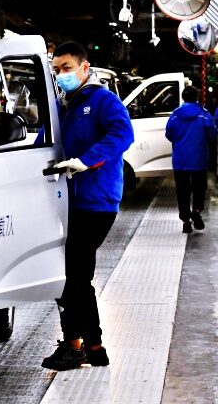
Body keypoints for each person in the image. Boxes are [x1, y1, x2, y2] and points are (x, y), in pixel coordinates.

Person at [41, 41, 134, 371]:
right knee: (72, 275)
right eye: (56, 70)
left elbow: (123, 134)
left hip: (96, 202)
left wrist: (86, 161)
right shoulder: (64, 105)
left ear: (84, 67)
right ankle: (89, 347)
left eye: (67, 68)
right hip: (68, 201)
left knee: (75, 276)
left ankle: (81, 345)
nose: (61, 75)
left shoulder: (102, 100)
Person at [166, 86, 217, 233]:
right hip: (199, 160)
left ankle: (186, 220)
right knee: (199, 189)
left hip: (180, 161)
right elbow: (213, 134)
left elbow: (169, 134)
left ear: (183, 98)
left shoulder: (175, 115)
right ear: (197, 98)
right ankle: (196, 211)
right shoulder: (204, 115)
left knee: (182, 190)